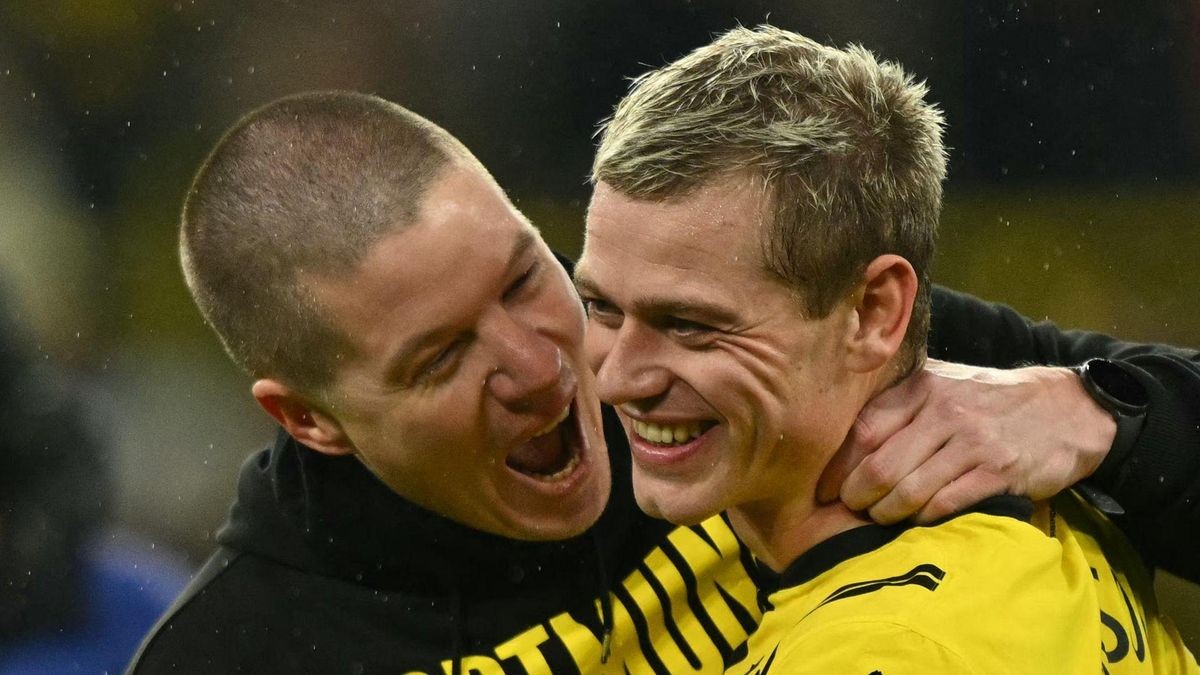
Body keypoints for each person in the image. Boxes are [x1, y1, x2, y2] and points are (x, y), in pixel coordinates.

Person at [130, 91, 1199, 673]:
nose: (550, 365)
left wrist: (1108, 417)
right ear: (310, 418)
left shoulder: (737, 374)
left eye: (526, 279)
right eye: (443, 357)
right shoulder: (237, 658)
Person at [577, 25, 1198, 672]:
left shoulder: (877, 649)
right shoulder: (1066, 495)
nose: (618, 377)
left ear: (874, 311)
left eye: (688, 324)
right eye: (602, 307)